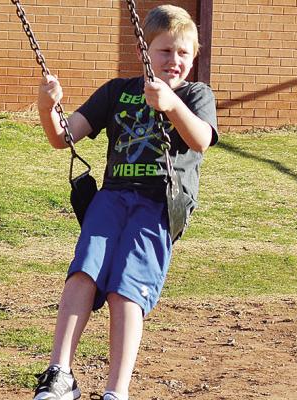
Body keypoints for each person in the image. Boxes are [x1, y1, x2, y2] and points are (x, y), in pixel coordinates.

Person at [34, 4, 218, 400]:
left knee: (126, 289)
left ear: (194, 57)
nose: (174, 61)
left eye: (183, 53)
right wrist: (47, 107)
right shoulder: (117, 91)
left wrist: (169, 103)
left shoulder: (196, 94)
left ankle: (116, 391)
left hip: (158, 205)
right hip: (112, 197)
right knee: (84, 272)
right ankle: (59, 373)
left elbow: (200, 140)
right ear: (145, 51)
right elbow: (63, 137)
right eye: (165, 51)